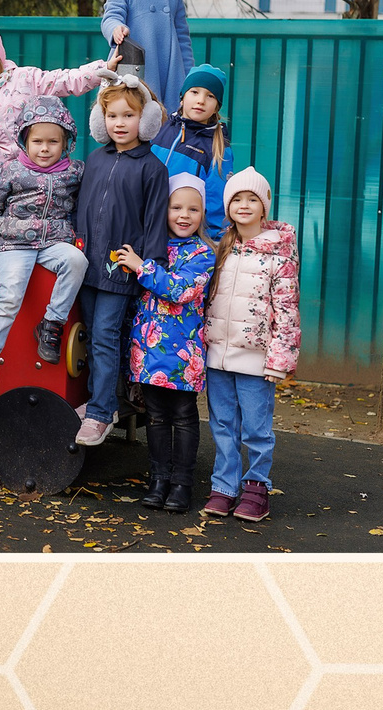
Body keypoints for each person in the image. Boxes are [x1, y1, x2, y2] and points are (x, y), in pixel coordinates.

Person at [71, 71, 168, 455]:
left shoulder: (152, 169)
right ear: (101, 120)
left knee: (106, 337)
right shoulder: (94, 160)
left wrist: (147, 263)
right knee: (93, 334)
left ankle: (99, 410)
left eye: (128, 116)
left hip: (120, 270)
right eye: (112, 116)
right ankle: (101, 402)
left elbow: (155, 221)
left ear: (144, 121)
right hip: (87, 265)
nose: (119, 123)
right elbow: (81, 211)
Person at [0, 96, 87, 406]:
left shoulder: (74, 172)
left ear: (66, 143)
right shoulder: (11, 171)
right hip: (12, 244)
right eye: (37, 141)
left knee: (77, 260)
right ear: (24, 140)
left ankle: (51, 324)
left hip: (52, 243)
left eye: (52, 142)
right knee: (10, 296)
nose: (44, 148)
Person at [200, 167, 300, 522]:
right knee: (222, 424)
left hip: (256, 358)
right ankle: (224, 487)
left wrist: (280, 359)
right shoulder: (219, 246)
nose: (244, 205)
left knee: (257, 428)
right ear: (227, 207)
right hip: (217, 356)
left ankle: (257, 488)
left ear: (264, 207)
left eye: (252, 199)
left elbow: (287, 308)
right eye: (237, 199)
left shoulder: (278, 253)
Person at [120, 171, 216, 513]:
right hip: (146, 349)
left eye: (193, 209)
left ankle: (182, 483)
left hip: (182, 351)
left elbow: (180, 291)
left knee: (184, 415)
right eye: (176, 207)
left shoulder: (203, 254)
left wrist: (141, 267)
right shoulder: (152, 246)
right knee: (156, 416)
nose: (184, 215)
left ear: (203, 213)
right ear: (165, 208)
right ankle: (158, 480)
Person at [0, 21, 113, 157]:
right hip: (1, 173)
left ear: (0, 57)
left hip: (38, 163)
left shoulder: (25, 78)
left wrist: (102, 70)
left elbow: (62, 80)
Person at [149, 63, 233, 238]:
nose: (201, 100)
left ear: (217, 107)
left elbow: (216, 204)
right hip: (147, 227)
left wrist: (212, 245)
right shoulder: (160, 128)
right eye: (194, 92)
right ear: (182, 97)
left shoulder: (218, 149)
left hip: (184, 239)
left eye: (210, 96)